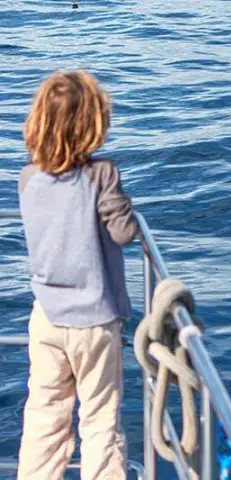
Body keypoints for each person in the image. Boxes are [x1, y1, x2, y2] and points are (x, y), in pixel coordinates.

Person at [16, 71, 137, 480]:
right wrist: (122, 203)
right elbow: (123, 232)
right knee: (100, 422)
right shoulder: (102, 174)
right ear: (94, 126)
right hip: (92, 320)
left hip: (46, 315)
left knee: (44, 419)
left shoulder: (28, 178)